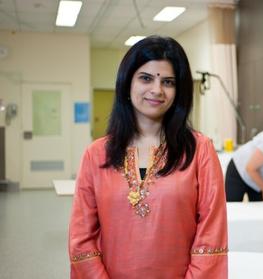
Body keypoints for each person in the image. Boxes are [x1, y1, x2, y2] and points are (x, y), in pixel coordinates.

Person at [68, 36, 228, 279]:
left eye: (168, 82)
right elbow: (82, 238)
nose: (157, 90)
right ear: (127, 83)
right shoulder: (96, 154)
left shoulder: (200, 150)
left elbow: (211, 234)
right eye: (146, 78)